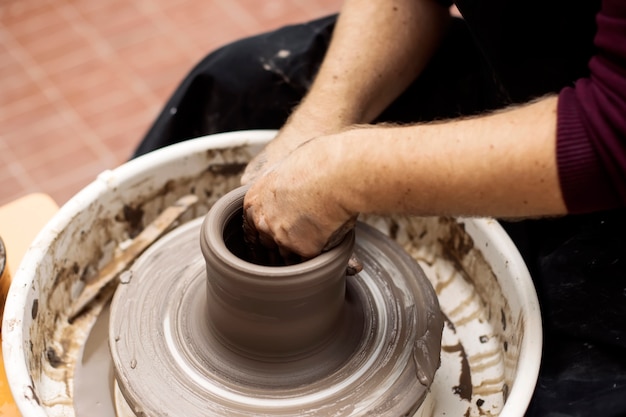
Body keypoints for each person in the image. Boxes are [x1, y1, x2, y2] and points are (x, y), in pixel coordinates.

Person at [134, 0, 626, 415]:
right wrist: (321, 123)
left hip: (606, 171)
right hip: (516, 68)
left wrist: (342, 172)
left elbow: (612, 130)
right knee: (231, 84)